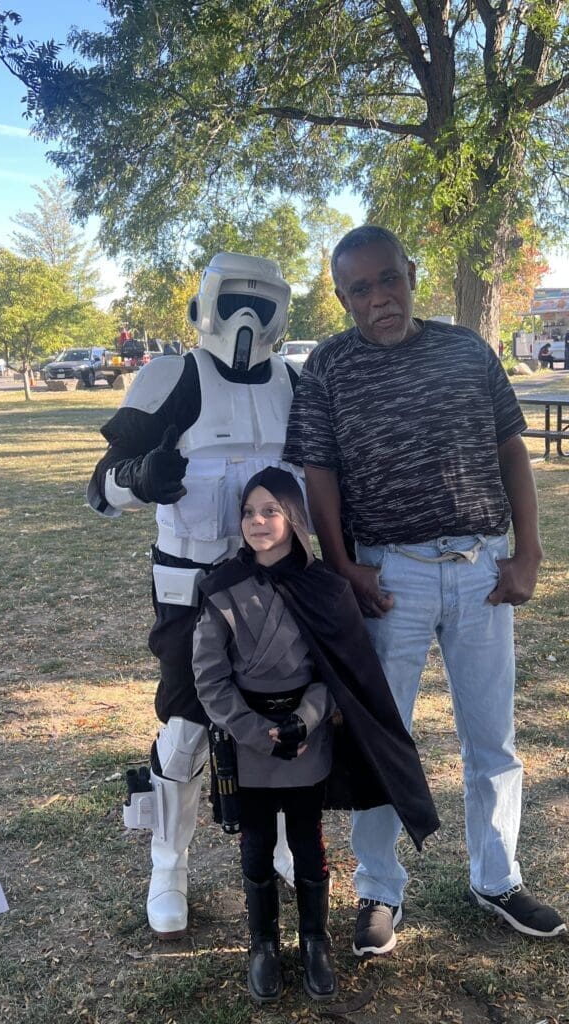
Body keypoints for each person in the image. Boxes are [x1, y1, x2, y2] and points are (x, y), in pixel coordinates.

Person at [283, 224, 567, 955]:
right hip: (389, 577)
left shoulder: (467, 351)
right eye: (360, 289)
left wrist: (528, 552)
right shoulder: (327, 368)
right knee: (381, 737)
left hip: (481, 569)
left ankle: (497, 878)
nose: (379, 298)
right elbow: (319, 474)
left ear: (411, 273)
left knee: (492, 739)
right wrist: (344, 566)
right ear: (343, 298)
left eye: (389, 279)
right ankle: (378, 890)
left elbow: (511, 447)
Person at [87, 252, 301, 940]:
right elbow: (101, 488)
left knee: (281, 718)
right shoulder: (171, 377)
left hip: (274, 587)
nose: (247, 318)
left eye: (262, 304)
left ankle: (286, 847)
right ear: (206, 302)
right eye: (235, 300)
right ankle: (167, 865)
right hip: (190, 588)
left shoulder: (294, 384)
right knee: (184, 736)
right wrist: (139, 478)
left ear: (281, 312)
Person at [191, 467, 439, 1002]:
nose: (258, 522)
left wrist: (305, 719)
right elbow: (210, 679)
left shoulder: (327, 587)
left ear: (294, 519)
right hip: (249, 743)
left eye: (271, 511)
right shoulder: (219, 588)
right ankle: (262, 944)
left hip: (307, 738)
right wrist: (257, 731)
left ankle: (313, 941)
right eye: (249, 512)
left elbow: (343, 670)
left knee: (308, 842)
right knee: (256, 846)